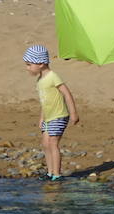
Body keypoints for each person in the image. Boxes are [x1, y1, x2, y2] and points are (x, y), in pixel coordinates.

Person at [22, 44, 80, 181]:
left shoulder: (53, 76)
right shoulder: (40, 80)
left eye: (29, 64)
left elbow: (67, 94)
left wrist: (73, 113)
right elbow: (45, 101)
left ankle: (57, 174)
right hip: (48, 117)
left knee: (53, 143)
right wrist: (41, 117)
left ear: (41, 64)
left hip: (59, 116)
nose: (27, 68)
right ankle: (50, 172)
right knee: (45, 143)